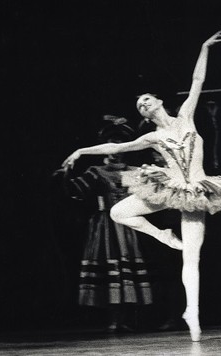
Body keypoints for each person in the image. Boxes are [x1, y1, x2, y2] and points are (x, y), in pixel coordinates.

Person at [62, 30, 221, 341]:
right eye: (140, 107)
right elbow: (117, 149)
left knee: (192, 257)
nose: (144, 106)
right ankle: (162, 235)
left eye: (146, 100)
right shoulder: (152, 137)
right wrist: (81, 151)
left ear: (159, 100)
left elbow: (197, 82)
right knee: (119, 212)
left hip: (196, 191)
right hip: (168, 189)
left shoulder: (186, 115)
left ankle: (193, 314)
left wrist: (203, 47)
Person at [58, 117, 153, 332]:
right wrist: (65, 175)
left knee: (128, 269)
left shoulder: (135, 172)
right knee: (112, 269)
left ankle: (128, 319)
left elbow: (148, 196)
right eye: (110, 145)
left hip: (130, 225)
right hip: (106, 226)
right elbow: (75, 192)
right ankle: (113, 319)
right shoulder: (96, 171)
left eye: (118, 146)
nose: (114, 152)